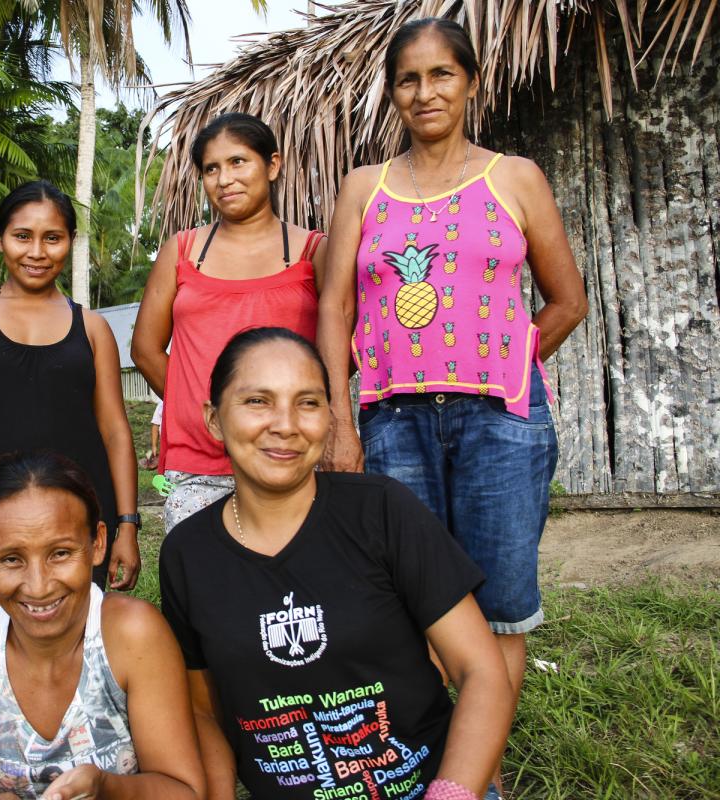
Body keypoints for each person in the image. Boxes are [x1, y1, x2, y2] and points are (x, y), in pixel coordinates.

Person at [317, 17, 588, 792]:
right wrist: (342, 418)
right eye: (409, 78)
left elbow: (566, 301)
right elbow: (334, 311)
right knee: (415, 606)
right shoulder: (363, 188)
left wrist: (506, 365)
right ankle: (434, 763)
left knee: (499, 608)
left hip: (502, 424)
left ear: (470, 83)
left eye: (442, 75)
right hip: (392, 420)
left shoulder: (515, 178)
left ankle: (476, 784)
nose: (425, 91)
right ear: (393, 93)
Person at [160, 327, 515, 800]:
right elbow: (203, 712)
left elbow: (482, 671)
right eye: (257, 402)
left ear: (329, 417)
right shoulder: (188, 553)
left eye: (308, 402)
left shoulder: (382, 511)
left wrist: (452, 793)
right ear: (214, 420)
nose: (285, 424)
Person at [0, 451, 207, 800]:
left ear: (98, 543)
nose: (39, 586)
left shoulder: (134, 635)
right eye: (11, 559)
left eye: (60, 553)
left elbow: (182, 790)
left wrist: (106, 788)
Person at [0, 180, 140, 605]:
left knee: (73, 643)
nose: (37, 252)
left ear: (70, 242)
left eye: (52, 238)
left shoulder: (92, 329)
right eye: (23, 236)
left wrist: (127, 524)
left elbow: (114, 431)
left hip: (77, 525)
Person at [132, 112, 327, 532]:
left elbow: (339, 346)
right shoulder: (183, 250)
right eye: (211, 169)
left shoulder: (313, 251)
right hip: (199, 464)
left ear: (272, 165)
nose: (224, 179)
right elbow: (145, 349)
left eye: (239, 162)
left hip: (289, 456)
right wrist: (202, 411)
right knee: (204, 590)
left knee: (294, 593)